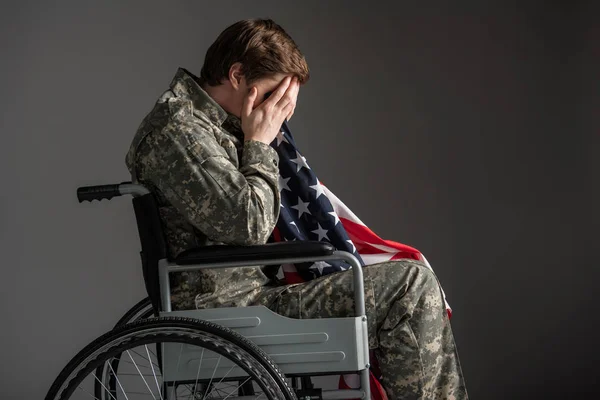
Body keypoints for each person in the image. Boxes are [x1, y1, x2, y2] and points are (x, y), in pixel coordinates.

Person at [125, 18, 468, 400]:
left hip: (255, 294)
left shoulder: (215, 124)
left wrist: (257, 138)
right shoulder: (178, 131)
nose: (279, 113)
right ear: (237, 74)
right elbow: (251, 223)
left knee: (413, 276)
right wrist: (259, 143)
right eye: (274, 96)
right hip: (227, 310)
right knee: (410, 286)